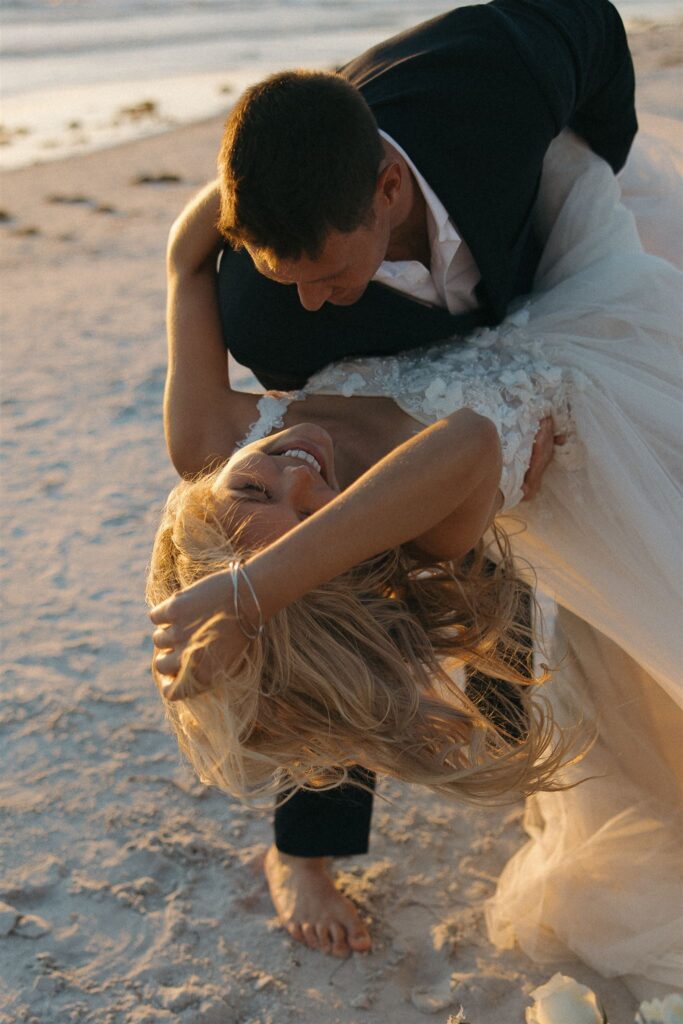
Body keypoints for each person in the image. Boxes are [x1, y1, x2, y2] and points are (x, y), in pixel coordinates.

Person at [149, 127, 683, 994]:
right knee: (339, 666)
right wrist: (258, 591)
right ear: (349, 546)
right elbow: (469, 440)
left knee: (364, 654)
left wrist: (303, 151)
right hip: (584, 412)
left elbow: (184, 256)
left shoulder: (208, 442)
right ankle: (307, 852)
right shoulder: (427, 523)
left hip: (518, 308)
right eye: (319, 521)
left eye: (254, 493)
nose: (300, 474)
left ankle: (501, 738)